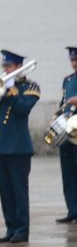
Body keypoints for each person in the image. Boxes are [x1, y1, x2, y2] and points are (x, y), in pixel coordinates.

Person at [0, 50, 39, 243]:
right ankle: (11, 227)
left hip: (18, 146)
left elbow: (23, 109)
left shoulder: (30, 87)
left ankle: (22, 230)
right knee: (5, 190)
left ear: (18, 67)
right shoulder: (1, 86)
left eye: (8, 67)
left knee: (18, 190)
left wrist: (12, 91)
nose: (5, 70)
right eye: (4, 66)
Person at [57, 47, 77, 223]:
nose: (74, 63)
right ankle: (72, 209)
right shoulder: (68, 80)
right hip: (68, 128)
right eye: (72, 60)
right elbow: (63, 102)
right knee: (68, 171)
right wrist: (55, 118)